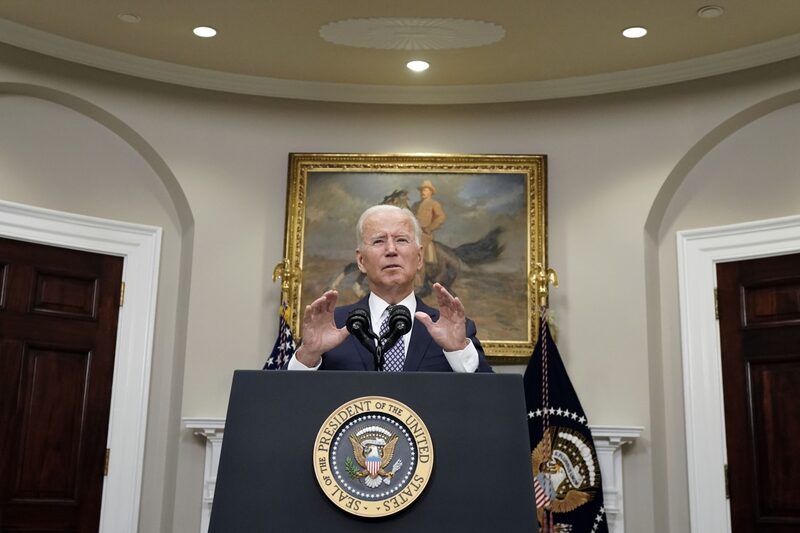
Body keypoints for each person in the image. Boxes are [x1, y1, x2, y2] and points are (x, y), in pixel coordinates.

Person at [287, 204, 492, 372]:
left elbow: (489, 401)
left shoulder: (451, 329)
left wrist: (457, 350)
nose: (391, 250)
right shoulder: (332, 326)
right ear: (361, 261)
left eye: (401, 240)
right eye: (378, 241)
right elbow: (291, 404)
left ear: (419, 258)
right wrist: (308, 355)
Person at [412, 180, 446, 293]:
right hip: (412, 232)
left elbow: (441, 217)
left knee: (417, 252)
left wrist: (430, 228)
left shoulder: (434, 204)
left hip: (424, 234)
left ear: (431, 192)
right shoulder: (415, 205)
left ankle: (418, 284)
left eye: (425, 190)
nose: (423, 192)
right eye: (422, 190)